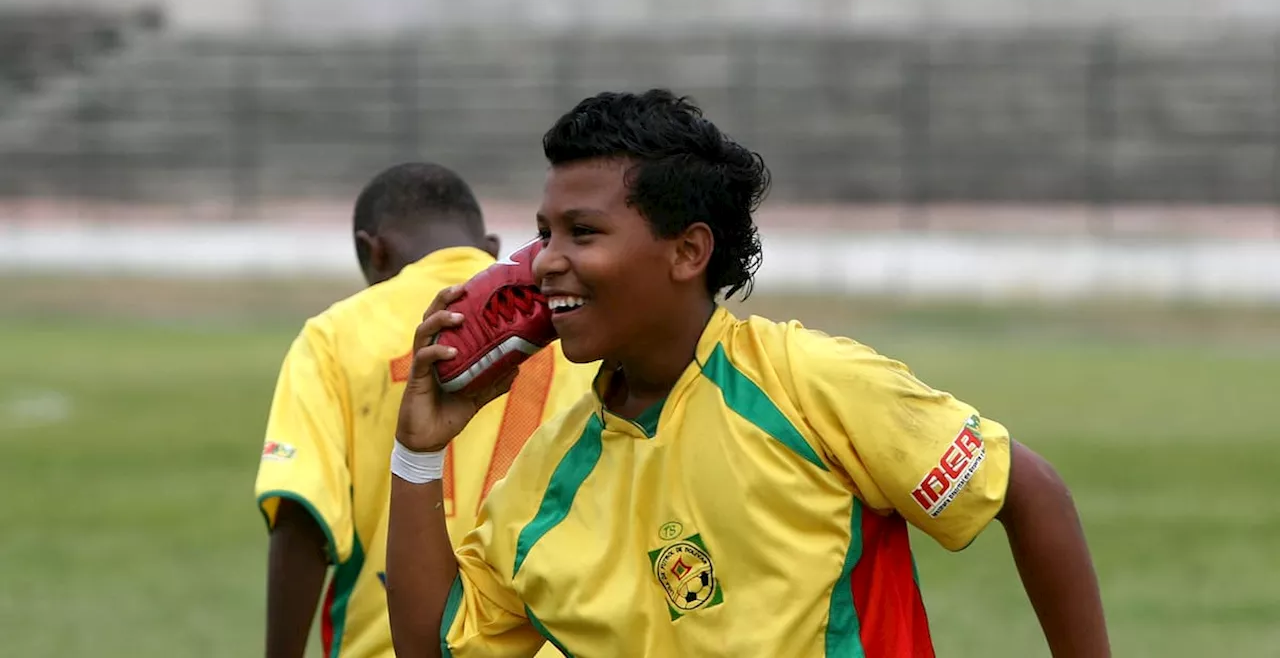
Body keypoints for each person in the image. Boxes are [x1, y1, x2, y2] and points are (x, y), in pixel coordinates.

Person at [384, 91, 1111, 657]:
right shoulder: (544, 483)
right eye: (544, 233)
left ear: (687, 251)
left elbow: (1031, 493)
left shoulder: (807, 385)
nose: (543, 261)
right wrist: (417, 455)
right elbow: (435, 649)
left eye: (584, 232)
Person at [254, 162, 596, 658]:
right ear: (493, 249)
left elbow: (301, 517)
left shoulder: (333, 337)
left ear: (376, 251)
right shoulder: (577, 328)